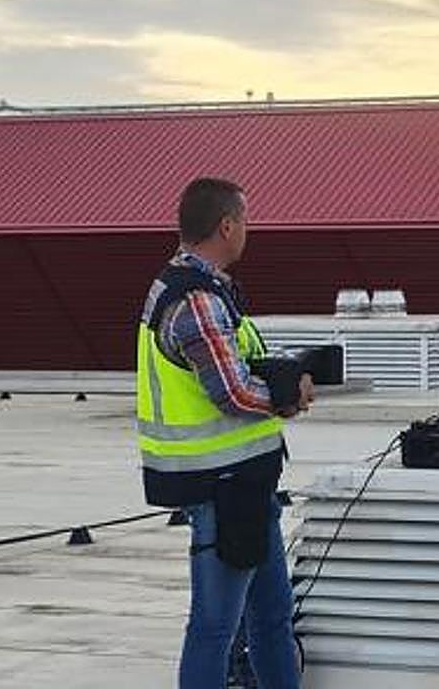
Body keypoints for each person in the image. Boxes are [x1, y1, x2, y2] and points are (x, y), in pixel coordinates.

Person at [136, 177, 312, 688]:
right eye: (246, 222)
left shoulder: (201, 288)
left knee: (273, 620)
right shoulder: (195, 299)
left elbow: (229, 364)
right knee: (216, 629)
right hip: (221, 488)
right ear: (227, 225)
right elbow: (232, 393)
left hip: (245, 486)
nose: (248, 232)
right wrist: (288, 396)